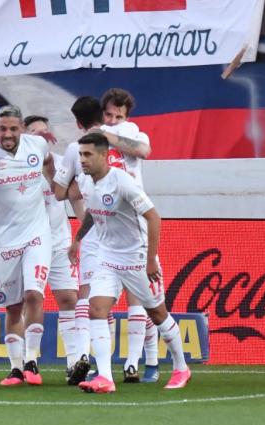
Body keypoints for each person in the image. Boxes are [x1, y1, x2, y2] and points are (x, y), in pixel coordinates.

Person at [69, 132, 191, 393]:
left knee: (158, 314)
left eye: (88, 154)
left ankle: (181, 367)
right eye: (80, 154)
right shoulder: (87, 182)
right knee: (96, 309)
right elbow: (93, 211)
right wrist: (78, 239)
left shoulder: (123, 182)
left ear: (104, 156)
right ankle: (104, 377)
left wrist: (150, 261)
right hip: (107, 258)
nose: (82, 160)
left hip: (137, 258)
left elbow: (154, 217)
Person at [54, 95, 160, 385]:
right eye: (110, 116)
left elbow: (61, 191)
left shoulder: (117, 136)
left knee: (135, 299)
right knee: (101, 300)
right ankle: (104, 364)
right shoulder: (85, 149)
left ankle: (132, 361)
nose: (114, 121)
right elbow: (67, 192)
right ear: (102, 114)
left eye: (118, 117)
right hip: (100, 228)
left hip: (127, 226)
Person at [0, 105, 54, 386]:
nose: (8, 134)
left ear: (22, 127)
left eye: (13, 128)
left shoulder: (38, 144)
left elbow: (49, 164)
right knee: (12, 307)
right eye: (2, 129)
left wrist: (57, 187)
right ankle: (16, 368)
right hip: (4, 240)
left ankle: (32, 361)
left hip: (37, 234)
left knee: (35, 294)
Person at [24, 115, 79, 375]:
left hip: (60, 242)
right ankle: (30, 361)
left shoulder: (62, 164)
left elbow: (67, 192)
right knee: (33, 298)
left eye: (46, 132)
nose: (43, 137)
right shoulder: (18, 166)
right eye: (36, 133)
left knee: (69, 298)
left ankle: (73, 362)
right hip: (29, 242)